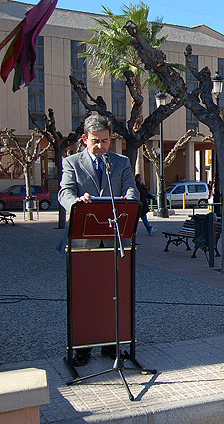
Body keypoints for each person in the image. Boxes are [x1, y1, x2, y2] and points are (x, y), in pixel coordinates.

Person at [58, 114, 139, 367]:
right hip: (84, 241)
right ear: (84, 139)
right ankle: (83, 346)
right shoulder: (72, 162)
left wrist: (128, 198)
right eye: (96, 141)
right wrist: (76, 203)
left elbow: (131, 190)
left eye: (105, 141)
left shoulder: (121, 162)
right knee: (86, 294)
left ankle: (110, 343)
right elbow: (65, 192)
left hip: (114, 239)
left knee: (113, 292)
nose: (101, 146)